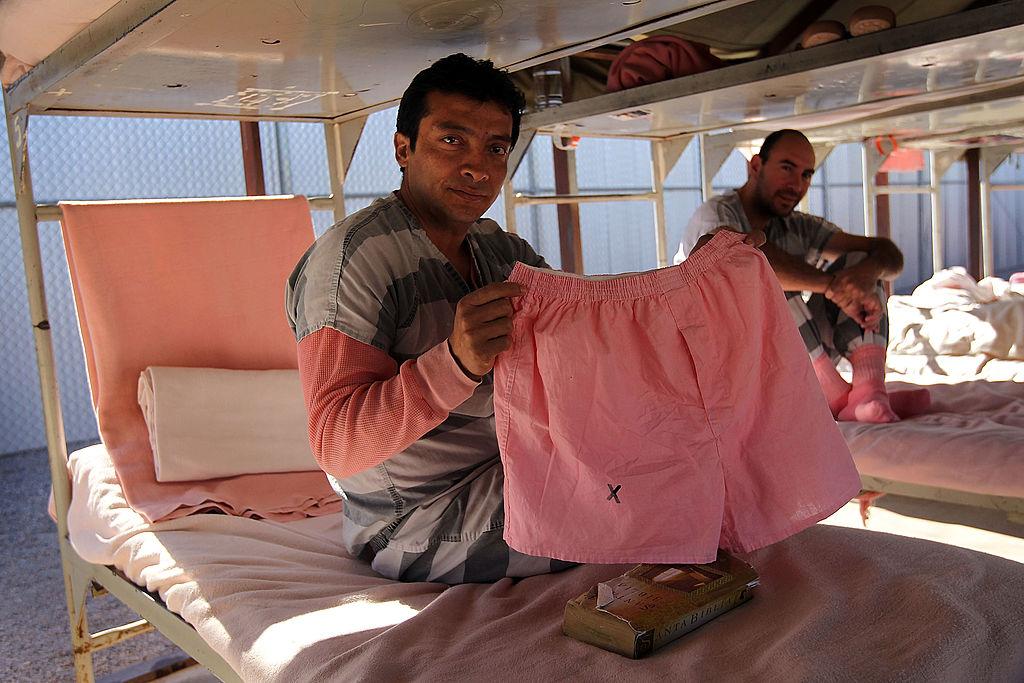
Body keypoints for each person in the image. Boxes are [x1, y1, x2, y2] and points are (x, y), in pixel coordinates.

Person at [674, 129, 930, 423]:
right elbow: (737, 257)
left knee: (860, 262)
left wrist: (862, 276)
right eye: (787, 168)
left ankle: (867, 393)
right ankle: (832, 395)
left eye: (807, 174)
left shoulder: (796, 226)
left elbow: (888, 253)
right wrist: (834, 288)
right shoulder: (717, 214)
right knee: (760, 272)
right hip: (722, 366)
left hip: (783, 363)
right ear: (756, 166)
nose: (796, 184)